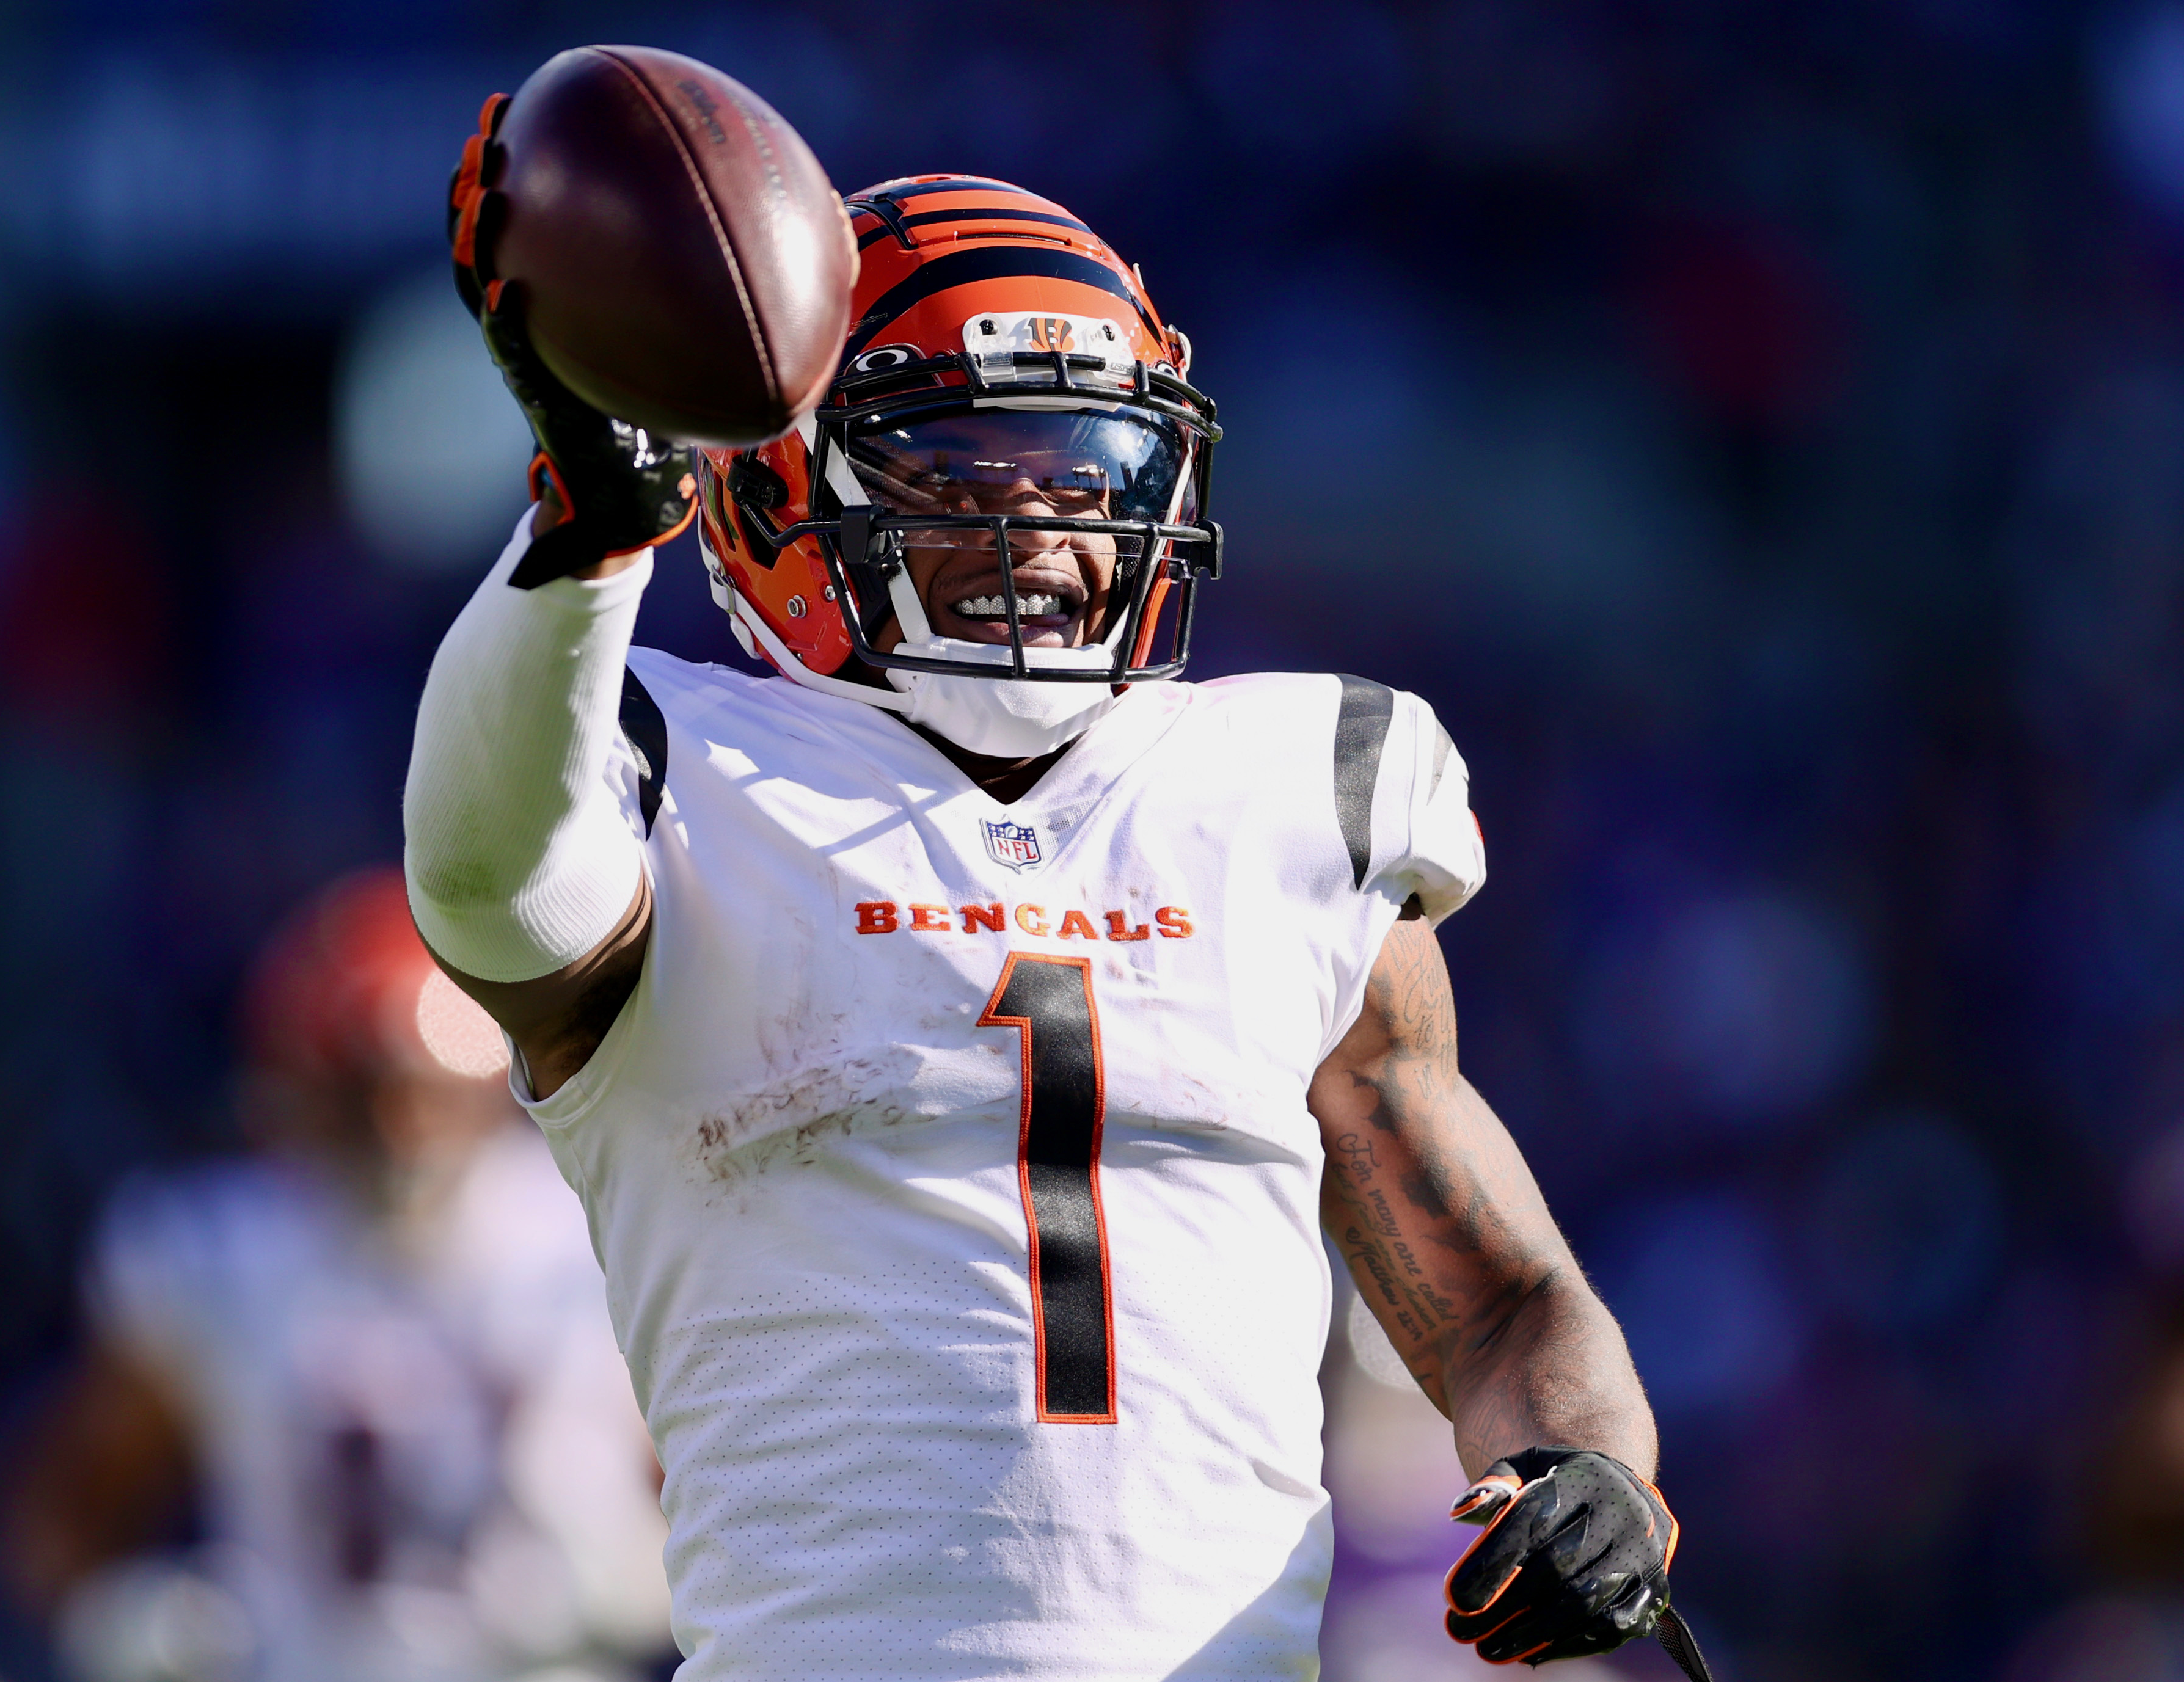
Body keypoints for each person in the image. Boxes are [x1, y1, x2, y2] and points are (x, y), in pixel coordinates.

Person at [418, 100, 1688, 1680]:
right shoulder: (677, 759)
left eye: (1087, 467)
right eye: (956, 465)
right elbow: (495, 895)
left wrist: (1592, 1470)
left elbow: (1502, 1303)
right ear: (770, 486)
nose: (1042, 521)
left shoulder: (1294, 786)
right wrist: (587, 535)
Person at [5, 868, 670, 1682]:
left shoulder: (589, 1236)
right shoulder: (223, 1251)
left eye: (424, 1096)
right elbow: (70, 1504)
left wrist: (653, 1567)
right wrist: (110, 1611)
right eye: (363, 1096)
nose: (401, 1132)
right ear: (296, 1094)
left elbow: (726, 1482)